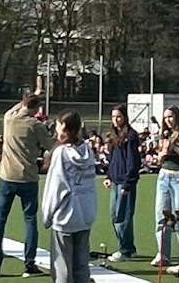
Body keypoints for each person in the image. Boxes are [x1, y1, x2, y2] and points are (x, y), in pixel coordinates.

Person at [0, 92, 52, 279]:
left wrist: (32, 96)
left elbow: (18, 108)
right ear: (37, 108)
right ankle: (29, 264)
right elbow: (51, 146)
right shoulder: (36, 125)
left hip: (7, 176)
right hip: (28, 177)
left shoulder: (9, 118)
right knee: (30, 221)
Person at [39, 111, 98, 283]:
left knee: (62, 268)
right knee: (81, 267)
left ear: (63, 126)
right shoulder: (87, 150)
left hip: (65, 216)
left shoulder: (61, 153)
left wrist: (47, 215)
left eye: (57, 124)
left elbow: (55, 188)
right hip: (85, 213)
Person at [153, 107, 179, 269]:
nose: (168, 120)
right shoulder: (163, 135)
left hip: (178, 177)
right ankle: (163, 254)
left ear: (177, 116)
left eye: (171, 116)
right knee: (161, 216)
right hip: (164, 176)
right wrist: (161, 155)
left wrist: (175, 148)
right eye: (165, 117)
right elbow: (159, 159)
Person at [103, 105, 141, 263]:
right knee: (114, 214)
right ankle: (128, 247)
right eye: (113, 117)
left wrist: (128, 182)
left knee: (122, 216)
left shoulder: (131, 136)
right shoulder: (113, 135)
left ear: (124, 117)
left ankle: (124, 250)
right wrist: (108, 176)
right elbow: (112, 159)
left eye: (118, 116)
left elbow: (133, 161)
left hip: (126, 182)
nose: (116, 120)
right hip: (115, 180)